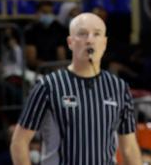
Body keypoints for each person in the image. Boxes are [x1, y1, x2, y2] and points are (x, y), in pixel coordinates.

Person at [10, 12, 142, 165]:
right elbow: (19, 142)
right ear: (70, 42)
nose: (90, 40)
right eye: (82, 34)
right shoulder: (48, 85)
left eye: (97, 34)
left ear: (104, 43)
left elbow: (129, 148)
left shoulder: (119, 88)